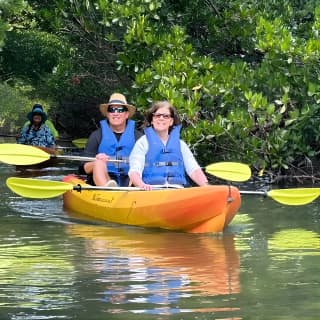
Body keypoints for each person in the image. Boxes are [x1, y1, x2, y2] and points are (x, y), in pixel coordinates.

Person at [128, 100, 209, 190]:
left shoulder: (181, 145)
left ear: (171, 121)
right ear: (152, 120)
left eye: (166, 116)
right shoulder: (142, 143)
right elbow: (134, 171)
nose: (161, 118)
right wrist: (141, 185)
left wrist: (206, 187)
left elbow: (194, 169)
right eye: (158, 115)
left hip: (176, 190)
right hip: (151, 190)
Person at [78, 93, 143, 187]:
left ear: (126, 114)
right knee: (99, 163)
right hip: (103, 180)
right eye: (111, 110)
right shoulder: (96, 136)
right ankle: (108, 189)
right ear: (108, 114)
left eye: (120, 110)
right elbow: (83, 169)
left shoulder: (139, 137)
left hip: (130, 181)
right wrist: (97, 162)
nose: (115, 113)